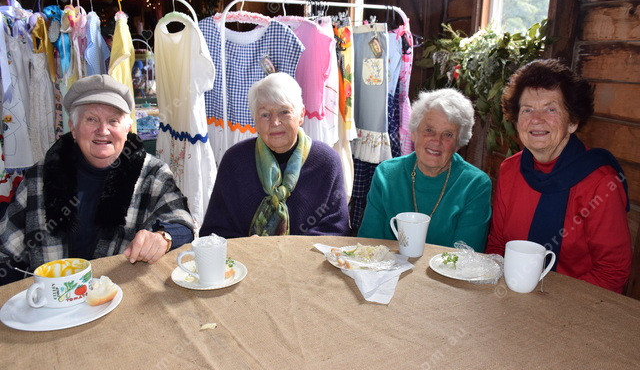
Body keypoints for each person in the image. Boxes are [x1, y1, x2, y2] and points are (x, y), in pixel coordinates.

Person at [0, 74, 194, 284]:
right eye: (91, 119)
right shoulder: (40, 176)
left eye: (113, 121)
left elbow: (182, 222)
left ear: (127, 128)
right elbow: (6, 250)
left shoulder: (152, 173)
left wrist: (163, 237)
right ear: (73, 128)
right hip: (50, 298)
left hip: (119, 295)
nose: (103, 131)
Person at [485, 59, 632, 293]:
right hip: (513, 293)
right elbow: (497, 245)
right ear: (516, 120)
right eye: (527, 110)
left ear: (572, 122)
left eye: (550, 109)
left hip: (575, 303)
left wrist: (552, 302)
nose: (536, 119)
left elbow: (612, 271)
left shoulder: (601, 182)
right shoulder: (510, 169)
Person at [200, 72, 350, 237]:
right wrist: (245, 245)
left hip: (305, 254)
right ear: (254, 120)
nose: (275, 123)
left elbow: (336, 231)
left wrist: (284, 248)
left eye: (284, 112)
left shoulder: (326, 162)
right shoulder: (235, 161)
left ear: (301, 115)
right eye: (265, 115)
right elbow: (213, 231)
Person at [358, 88, 492, 251]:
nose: (436, 141)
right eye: (429, 130)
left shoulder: (475, 185)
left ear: (458, 143)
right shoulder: (386, 174)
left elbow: (466, 255)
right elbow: (368, 242)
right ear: (414, 133)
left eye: (448, 134)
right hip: (386, 266)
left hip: (447, 269)